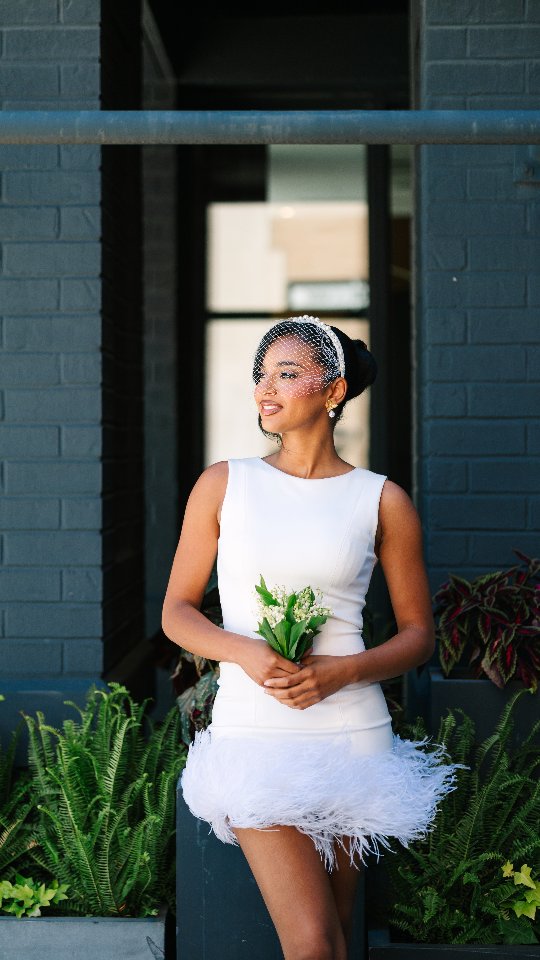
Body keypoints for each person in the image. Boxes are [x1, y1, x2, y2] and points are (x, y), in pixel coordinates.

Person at [162, 315, 458, 960]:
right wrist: (246, 651)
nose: (265, 388)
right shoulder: (224, 483)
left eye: (287, 374)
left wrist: (344, 671)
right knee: (314, 944)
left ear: (334, 391)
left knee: (338, 936)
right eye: (260, 375)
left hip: (353, 736)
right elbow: (177, 612)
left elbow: (417, 636)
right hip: (254, 736)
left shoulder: (381, 500)